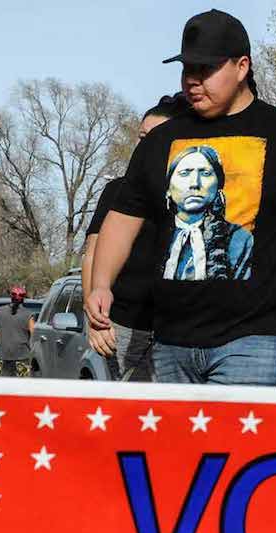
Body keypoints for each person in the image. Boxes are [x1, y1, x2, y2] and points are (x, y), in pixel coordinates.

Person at [87, 9, 276, 386]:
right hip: (170, 340)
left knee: (240, 447)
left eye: (205, 69)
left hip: (254, 339)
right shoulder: (159, 141)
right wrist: (100, 284)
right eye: (186, 69)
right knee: (172, 448)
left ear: (242, 66)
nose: (193, 81)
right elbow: (123, 219)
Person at [82, 93, 189, 381]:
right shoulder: (117, 190)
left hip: (178, 331)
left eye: (157, 137)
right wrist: (93, 320)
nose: (147, 145)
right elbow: (92, 253)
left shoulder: (194, 194)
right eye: (142, 137)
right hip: (123, 326)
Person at [163, 144, 252, 280]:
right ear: (168, 187)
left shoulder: (240, 239)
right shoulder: (152, 234)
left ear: (218, 186)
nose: (194, 183)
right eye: (185, 173)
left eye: (205, 173)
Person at [0, 285, 35, 377]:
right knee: (22, 387)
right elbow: (33, 333)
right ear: (23, 298)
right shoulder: (28, 314)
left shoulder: (0, 311)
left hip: (2, 355)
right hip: (22, 356)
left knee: (2, 386)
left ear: (11, 297)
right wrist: (32, 349)